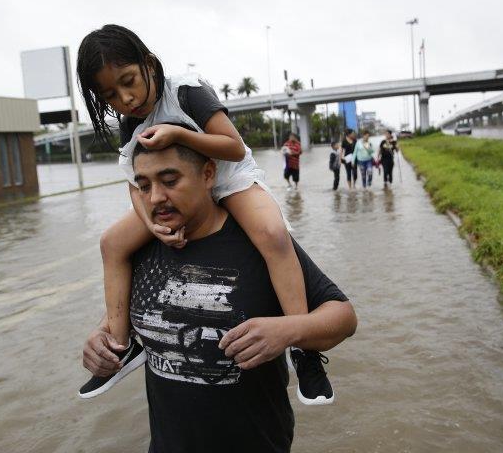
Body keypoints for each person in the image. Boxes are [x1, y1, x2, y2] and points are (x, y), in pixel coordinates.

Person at [75, 24, 330, 403]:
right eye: (110, 94)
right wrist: (150, 224)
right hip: (180, 193)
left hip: (229, 179)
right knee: (112, 242)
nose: (126, 98)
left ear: (149, 64)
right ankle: (119, 341)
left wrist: (179, 136)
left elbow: (233, 148)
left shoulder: (186, 92)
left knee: (273, 234)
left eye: (128, 81)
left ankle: (303, 348)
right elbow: (134, 180)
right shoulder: (131, 121)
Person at [83, 142, 357, 451]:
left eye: (170, 181)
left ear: (208, 174)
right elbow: (133, 310)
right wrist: (101, 338)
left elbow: (344, 317)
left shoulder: (261, 245)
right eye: (143, 186)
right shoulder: (140, 250)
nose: (156, 197)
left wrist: (288, 331)